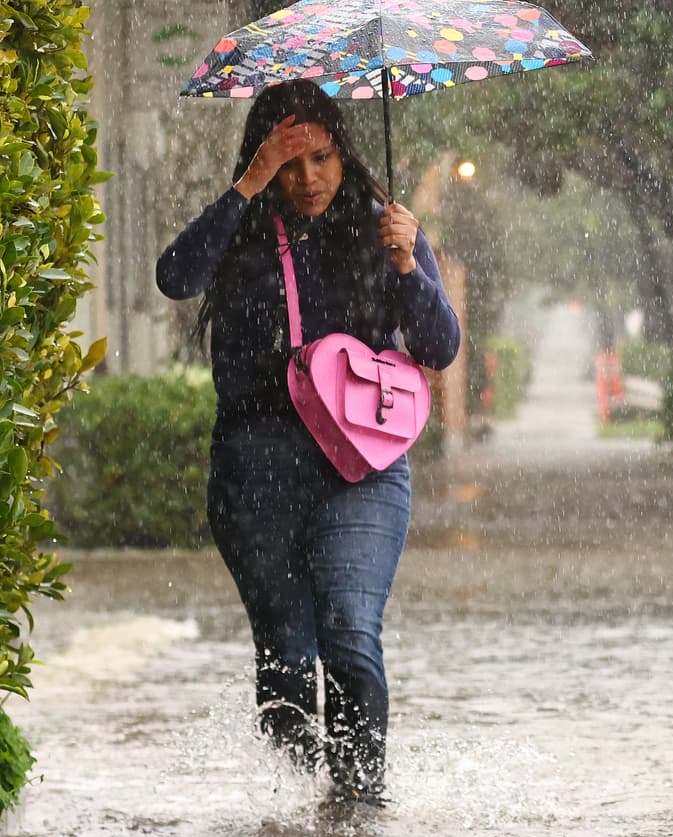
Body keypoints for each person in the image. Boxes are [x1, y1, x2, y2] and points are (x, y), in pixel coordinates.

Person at [156, 79, 460, 803]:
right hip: (255, 467)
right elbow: (175, 276)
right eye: (289, 161)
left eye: (321, 156)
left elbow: (439, 345)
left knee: (351, 636)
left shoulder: (385, 229)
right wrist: (246, 185)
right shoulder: (242, 233)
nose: (308, 177)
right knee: (289, 661)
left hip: (361, 467)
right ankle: (295, 805)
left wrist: (410, 268)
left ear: (343, 153)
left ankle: (357, 805)